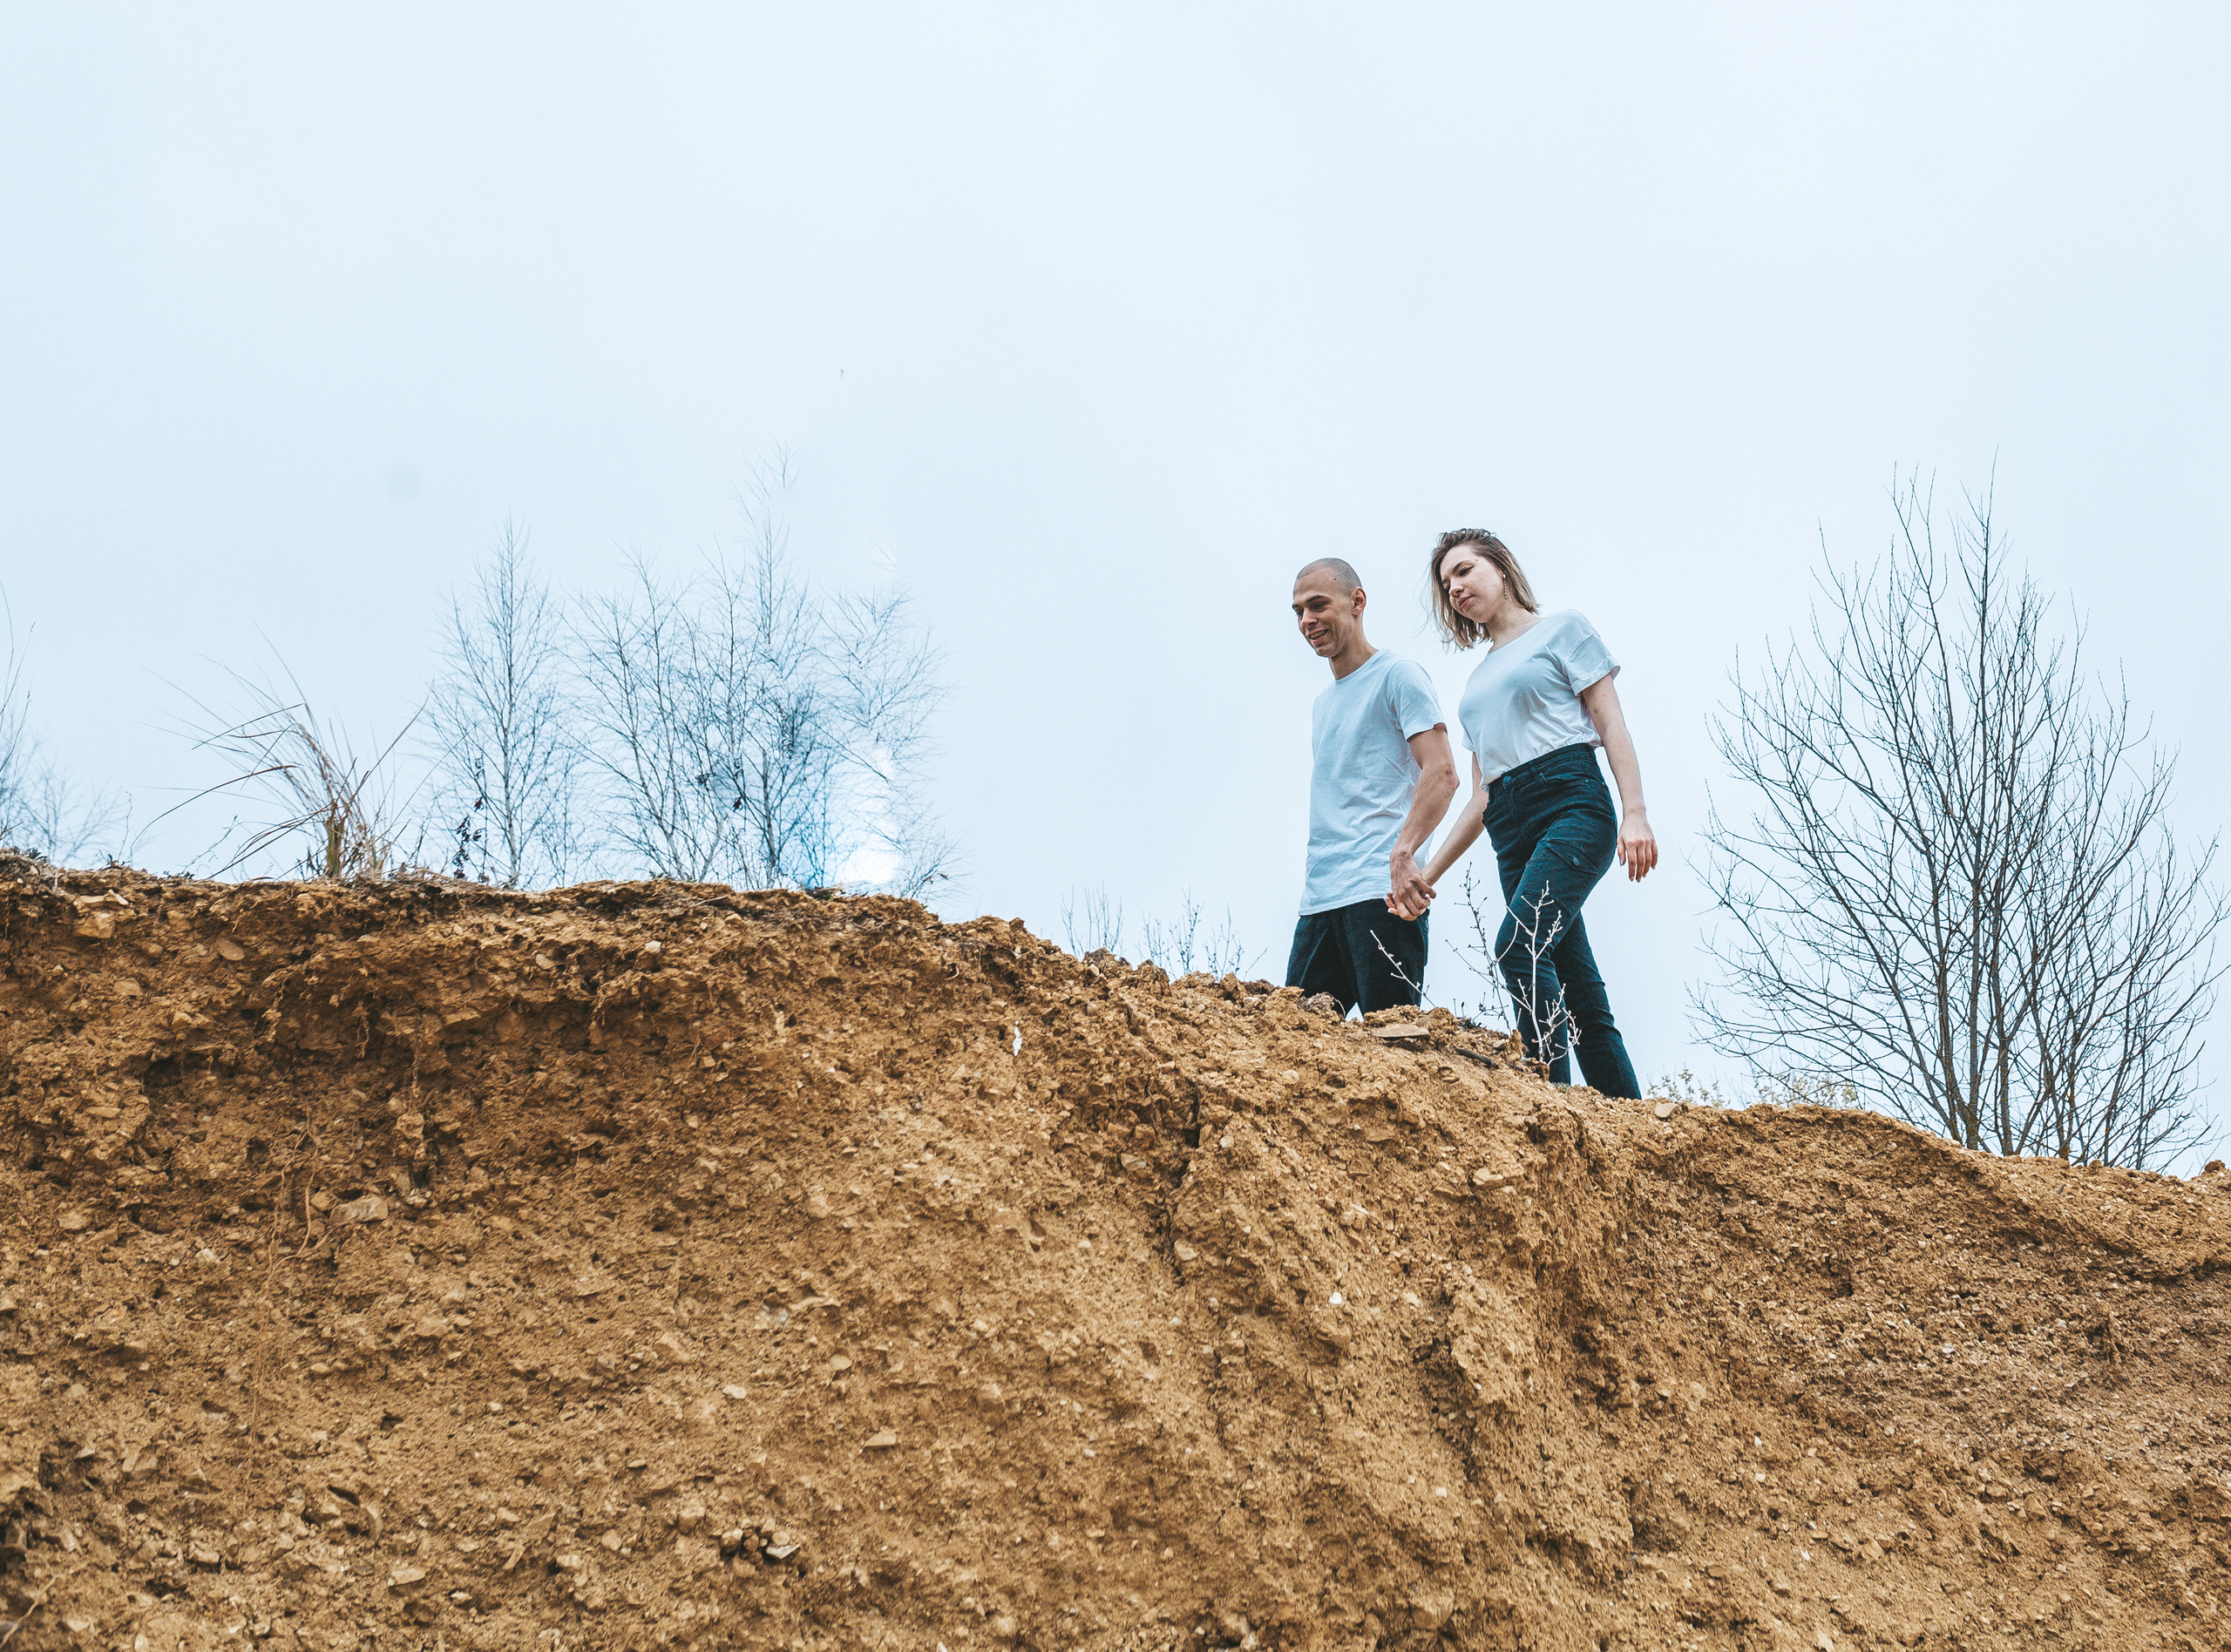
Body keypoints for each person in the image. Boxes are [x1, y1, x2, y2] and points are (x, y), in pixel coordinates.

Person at [1410, 529, 1655, 1096]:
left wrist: (1635, 812)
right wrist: (1428, 875)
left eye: (1464, 570)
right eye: (1447, 584)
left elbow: (1610, 722)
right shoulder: (1475, 687)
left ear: (1499, 566)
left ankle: (1548, 1107)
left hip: (1571, 803)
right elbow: (1481, 796)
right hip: (1509, 831)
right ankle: (1629, 1123)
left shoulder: (1563, 629)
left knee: (1518, 948)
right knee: (1577, 988)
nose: (1455, 588)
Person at [1286, 557, 1458, 1014]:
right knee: (1296, 1041)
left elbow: (1442, 773)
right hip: (1319, 900)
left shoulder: (1397, 675)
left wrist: (1403, 855)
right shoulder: (1323, 704)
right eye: (1299, 611)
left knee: (1391, 1042)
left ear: (1357, 602)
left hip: (1381, 895)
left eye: (1318, 605)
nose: (1307, 621)